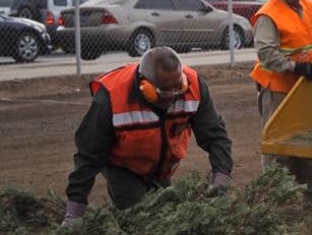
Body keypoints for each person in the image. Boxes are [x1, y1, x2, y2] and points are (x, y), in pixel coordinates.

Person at [63, 46, 234, 225]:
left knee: (169, 217)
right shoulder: (112, 98)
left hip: (162, 167)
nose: (174, 95)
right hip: (123, 166)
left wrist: (220, 185)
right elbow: (88, 156)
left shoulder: (193, 88)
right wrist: (74, 213)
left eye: (178, 87)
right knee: (138, 219)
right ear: (145, 84)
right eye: (166, 90)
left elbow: (216, 137)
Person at [250, 0, 312, 197]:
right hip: (277, 90)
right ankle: (277, 197)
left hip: (302, 87)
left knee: (306, 140)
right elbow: (266, 53)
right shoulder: (269, 14)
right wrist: (295, 67)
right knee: (278, 144)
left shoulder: (308, 6)